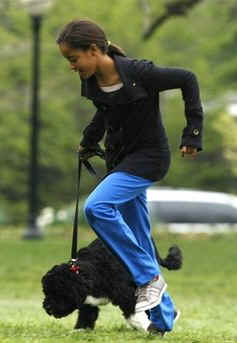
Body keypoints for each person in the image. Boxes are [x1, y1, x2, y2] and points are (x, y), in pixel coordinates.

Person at [56, 18, 203, 334]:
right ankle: (163, 320)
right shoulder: (94, 81)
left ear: (94, 50)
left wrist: (192, 133)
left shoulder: (140, 73)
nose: (71, 66)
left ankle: (148, 278)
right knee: (139, 235)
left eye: (73, 59)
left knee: (96, 208)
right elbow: (106, 111)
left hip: (148, 158)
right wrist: (89, 140)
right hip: (120, 160)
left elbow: (188, 79)